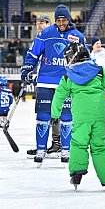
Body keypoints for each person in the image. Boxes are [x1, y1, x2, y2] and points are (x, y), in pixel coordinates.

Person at [51, 41, 105, 191]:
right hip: (99, 117)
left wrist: (54, 115)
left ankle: (76, 174)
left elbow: (59, 96)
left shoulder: (68, 77)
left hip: (80, 118)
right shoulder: (100, 71)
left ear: (73, 57)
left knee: (78, 144)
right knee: (100, 146)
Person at [21, 4, 86, 164]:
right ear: (55, 20)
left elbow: (84, 60)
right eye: (58, 20)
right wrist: (28, 68)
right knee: (42, 117)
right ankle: (41, 149)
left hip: (66, 84)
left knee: (67, 118)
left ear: (69, 19)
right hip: (45, 82)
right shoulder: (46, 33)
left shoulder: (78, 36)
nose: (61, 22)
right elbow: (33, 53)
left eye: (64, 19)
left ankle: (65, 150)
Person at [27, 14, 61, 158]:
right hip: (45, 82)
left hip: (59, 83)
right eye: (37, 23)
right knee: (43, 114)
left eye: (42, 22)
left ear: (49, 24)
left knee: (57, 113)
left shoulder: (56, 36)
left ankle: (57, 143)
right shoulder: (41, 38)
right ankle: (42, 145)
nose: (39, 25)